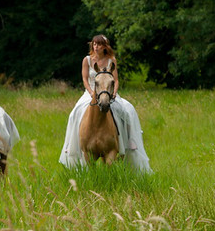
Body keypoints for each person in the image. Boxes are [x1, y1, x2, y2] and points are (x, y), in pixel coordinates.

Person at [59, 35, 151, 172]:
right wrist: (91, 92)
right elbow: (84, 79)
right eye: (94, 44)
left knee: (127, 111)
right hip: (91, 92)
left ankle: (129, 141)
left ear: (105, 46)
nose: (96, 47)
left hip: (108, 92)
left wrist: (114, 92)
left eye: (99, 45)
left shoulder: (111, 61)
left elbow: (116, 80)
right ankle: (71, 145)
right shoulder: (87, 60)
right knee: (74, 113)